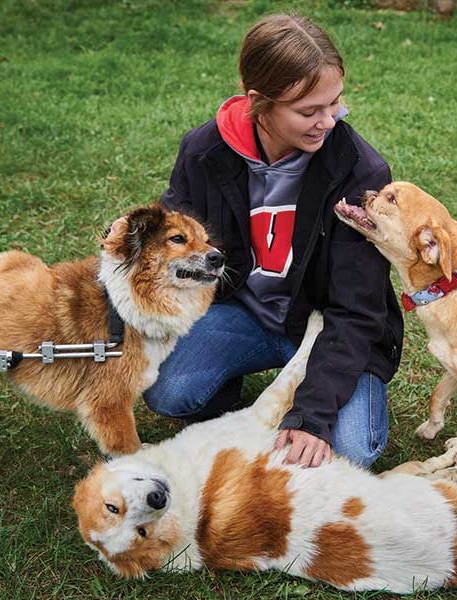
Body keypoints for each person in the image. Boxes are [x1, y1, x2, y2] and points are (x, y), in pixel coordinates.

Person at [144, 14, 403, 469]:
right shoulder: (203, 153)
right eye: (308, 111)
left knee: (352, 450)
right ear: (259, 103)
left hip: (328, 325)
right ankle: (233, 398)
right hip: (243, 313)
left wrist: (313, 415)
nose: (327, 121)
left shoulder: (361, 171)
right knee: (171, 392)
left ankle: (304, 394)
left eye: (335, 104)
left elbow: (358, 309)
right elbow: (173, 246)